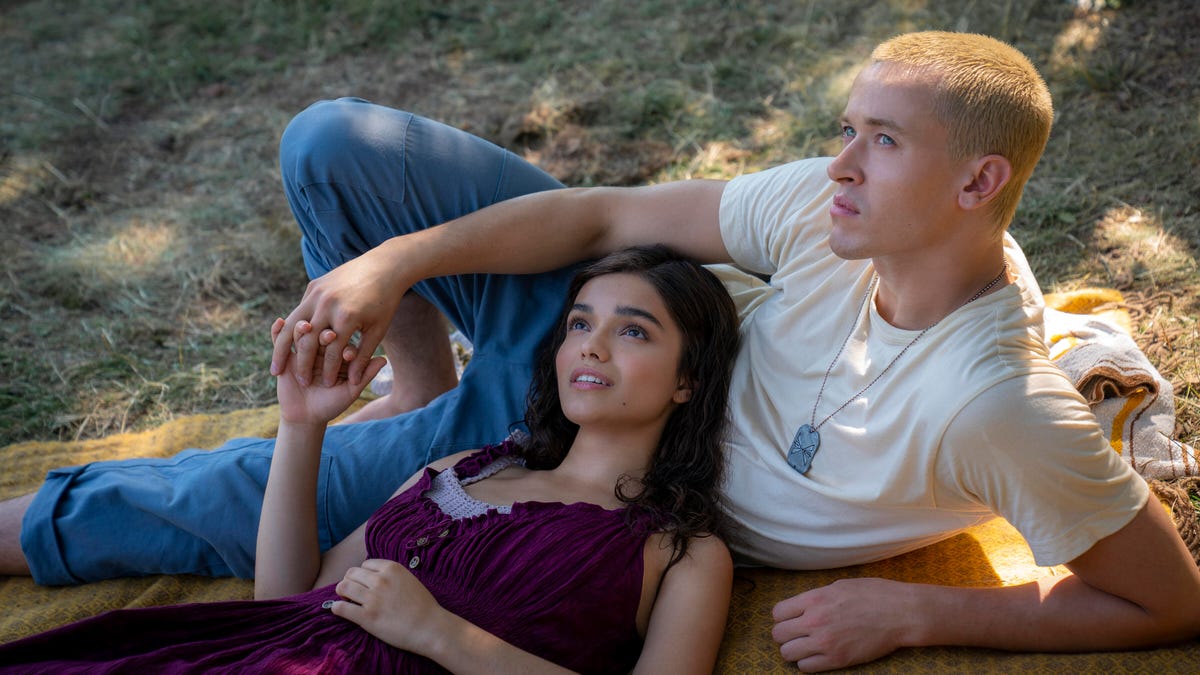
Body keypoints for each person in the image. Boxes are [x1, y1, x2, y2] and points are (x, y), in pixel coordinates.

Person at [0, 29, 1197, 671]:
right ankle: (420, 375)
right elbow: (599, 216)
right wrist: (393, 267)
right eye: (847, 129)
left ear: (978, 181)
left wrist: (925, 616)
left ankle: (23, 528)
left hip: (588, 457)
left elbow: (1167, 601)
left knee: (234, 488)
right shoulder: (835, 218)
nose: (835, 164)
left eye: (876, 141)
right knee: (330, 144)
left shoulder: (997, 406)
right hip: (616, 330)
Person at [0, 246, 739, 673]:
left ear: (688, 380)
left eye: (633, 331)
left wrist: (443, 635)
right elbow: (290, 594)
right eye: (581, 322)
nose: (592, 344)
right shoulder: (467, 467)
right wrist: (302, 427)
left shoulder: (681, 550)